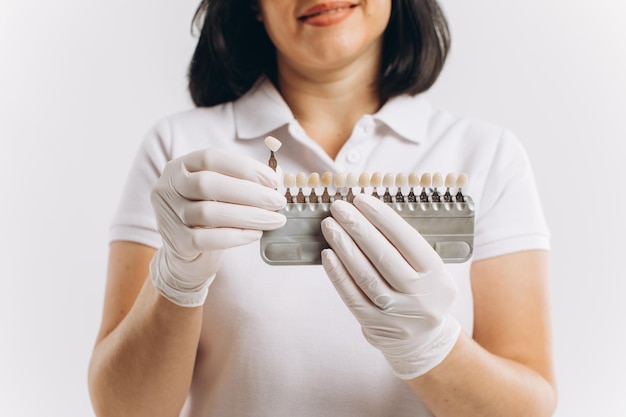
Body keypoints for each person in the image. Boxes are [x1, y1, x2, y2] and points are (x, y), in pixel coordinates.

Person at [88, 0, 557, 416]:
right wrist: (176, 279)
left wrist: (430, 347)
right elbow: (124, 411)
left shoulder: (485, 156)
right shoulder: (180, 154)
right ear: (253, 5)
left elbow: (527, 408)